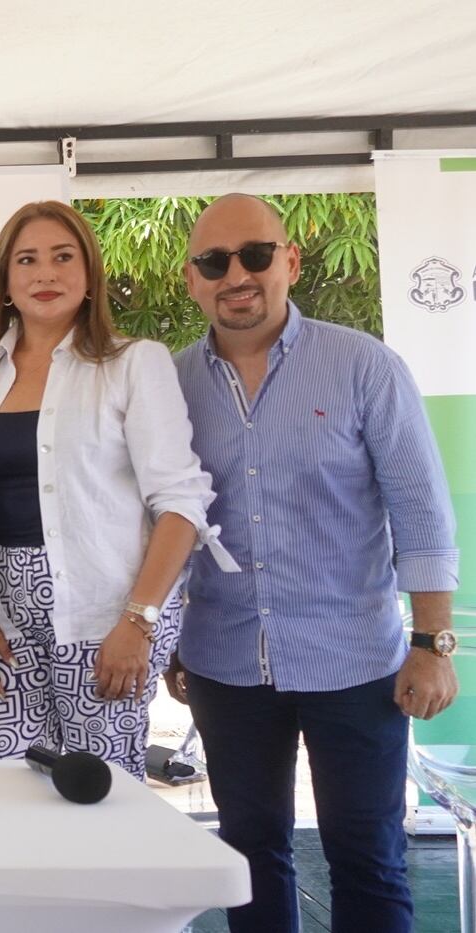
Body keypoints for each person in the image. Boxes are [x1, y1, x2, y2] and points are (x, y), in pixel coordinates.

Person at [167, 194, 460, 933]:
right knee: (248, 852)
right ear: (191, 279)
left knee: (366, 854)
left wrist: (430, 643)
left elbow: (420, 510)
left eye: (254, 255)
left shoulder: (362, 365)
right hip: (224, 661)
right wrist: (165, 633)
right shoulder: (167, 384)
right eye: (214, 261)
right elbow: (158, 520)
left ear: (289, 261)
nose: (235, 274)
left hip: (354, 661)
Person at [0, 200, 235, 780]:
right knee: (13, 788)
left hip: (108, 615)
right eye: (27, 260)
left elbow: (180, 503)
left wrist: (138, 621)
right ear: (4, 280)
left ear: (89, 272)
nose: (45, 274)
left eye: (62, 257)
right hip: (0, 617)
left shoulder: (133, 363)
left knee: (101, 788)